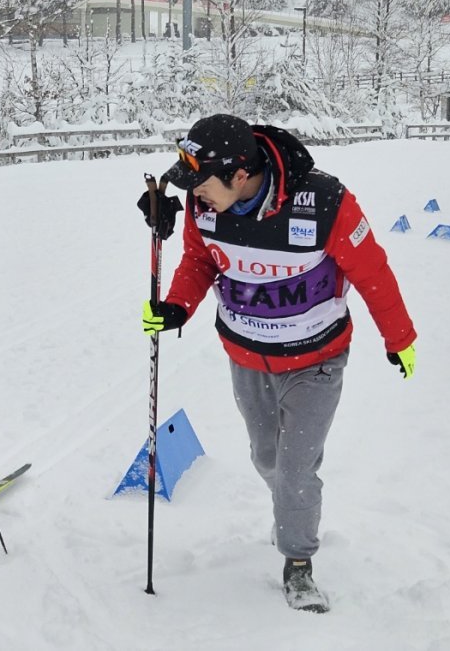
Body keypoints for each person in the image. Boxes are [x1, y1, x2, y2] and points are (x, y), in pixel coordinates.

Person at [137, 114, 417, 614]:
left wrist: (400, 339)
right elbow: (200, 261)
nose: (195, 197)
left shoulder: (325, 202)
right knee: (266, 458)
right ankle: (291, 510)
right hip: (245, 355)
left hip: (317, 358)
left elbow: (372, 270)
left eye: (201, 185)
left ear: (240, 175)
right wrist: (176, 306)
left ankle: (298, 562)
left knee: (294, 468)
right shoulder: (204, 207)